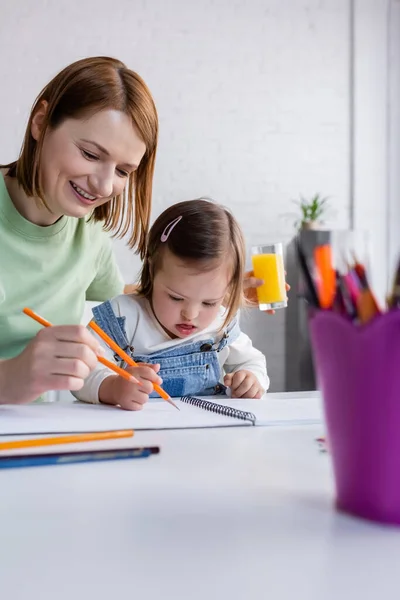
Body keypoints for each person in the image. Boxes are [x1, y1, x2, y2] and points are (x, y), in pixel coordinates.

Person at [0, 56, 160, 404]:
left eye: (123, 171)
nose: (104, 186)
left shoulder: (88, 231)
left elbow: (123, 293)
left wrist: (226, 291)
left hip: (44, 436)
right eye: (90, 154)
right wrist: (12, 376)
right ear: (41, 122)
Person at [74, 199, 269, 410]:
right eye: (176, 298)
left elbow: (252, 361)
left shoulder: (221, 322)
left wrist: (251, 378)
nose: (190, 314)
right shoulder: (122, 316)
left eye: (209, 302)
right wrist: (113, 387)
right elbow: (82, 372)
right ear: (152, 271)